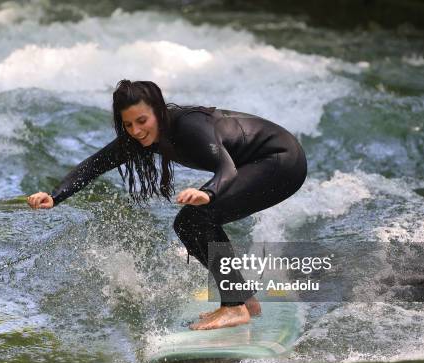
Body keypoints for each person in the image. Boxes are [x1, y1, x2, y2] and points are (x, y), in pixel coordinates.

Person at [27, 80, 307, 330]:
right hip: (264, 164)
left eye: (142, 120)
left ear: (158, 112)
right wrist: (55, 196)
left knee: (196, 219)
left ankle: (234, 307)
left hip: (282, 160)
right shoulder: (141, 137)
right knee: (188, 222)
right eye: (128, 125)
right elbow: (94, 164)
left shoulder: (190, 126)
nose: (136, 131)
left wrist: (208, 193)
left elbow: (227, 169)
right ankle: (244, 301)